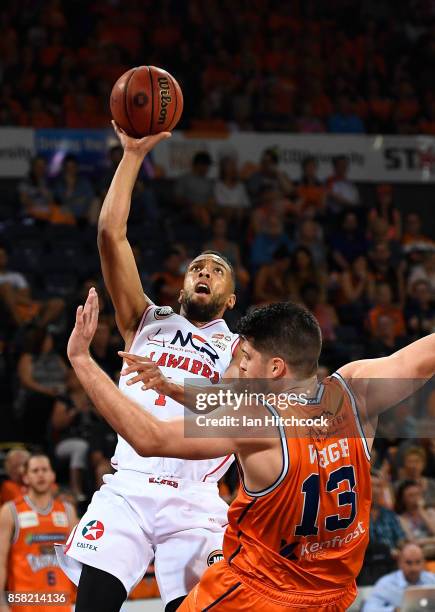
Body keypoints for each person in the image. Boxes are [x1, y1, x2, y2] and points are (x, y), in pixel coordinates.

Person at [66, 288, 435, 611]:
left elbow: (150, 438)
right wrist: (174, 389)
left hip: (256, 593)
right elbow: (420, 358)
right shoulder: (356, 391)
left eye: (246, 358)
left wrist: (83, 362)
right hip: (333, 593)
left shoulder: (257, 422)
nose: (238, 366)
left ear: (274, 368)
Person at [56, 125, 241, 612]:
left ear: (231, 298)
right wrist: (133, 154)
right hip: (129, 486)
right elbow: (109, 235)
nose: (205, 271)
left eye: (217, 270)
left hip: (195, 499)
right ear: (181, 285)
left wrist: (177, 387)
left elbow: (242, 413)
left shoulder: (241, 349)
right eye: (198, 266)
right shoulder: (146, 319)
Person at [0, 454, 77, 612]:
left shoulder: (67, 511)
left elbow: (79, 559)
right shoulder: (10, 510)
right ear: (26, 477)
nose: (40, 474)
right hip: (24, 605)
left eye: (44, 470)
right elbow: (0, 560)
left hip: (61, 604)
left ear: (52, 475)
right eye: (35, 471)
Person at [362, 543, 435, 612]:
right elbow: (368, 609)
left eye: (418, 562)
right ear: (399, 563)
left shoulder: (432, 579)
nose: (414, 568)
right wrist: (394, 610)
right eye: (408, 563)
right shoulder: (386, 584)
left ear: (424, 562)